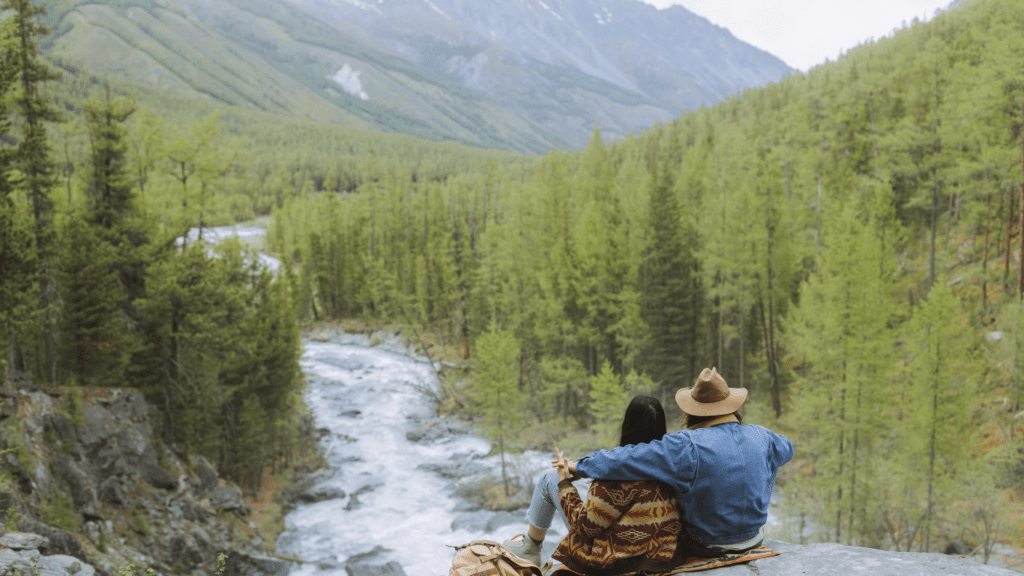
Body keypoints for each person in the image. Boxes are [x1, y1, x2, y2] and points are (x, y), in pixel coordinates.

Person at [566, 367, 794, 561]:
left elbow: (626, 458)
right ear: (733, 407)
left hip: (706, 545)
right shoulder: (761, 436)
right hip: (754, 538)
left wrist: (577, 466)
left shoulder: (686, 445)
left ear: (693, 413)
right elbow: (786, 449)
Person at [503, 396, 682, 575]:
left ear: (627, 426)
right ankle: (530, 547)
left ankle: (530, 547)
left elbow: (586, 526)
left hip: (615, 563)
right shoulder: (673, 466)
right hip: (655, 560)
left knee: (549, 477)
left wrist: (565, 483)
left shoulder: (614, 475)